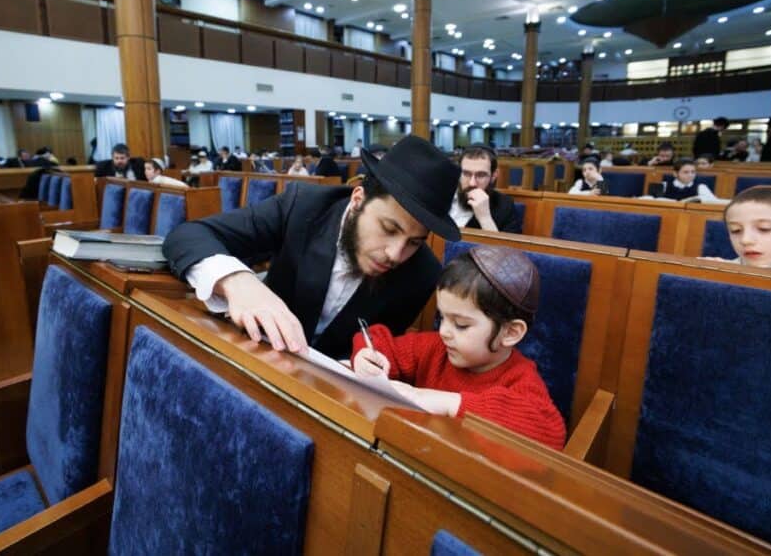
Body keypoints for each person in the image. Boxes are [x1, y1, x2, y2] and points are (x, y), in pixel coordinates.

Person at [163, 135, 461, 360]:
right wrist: (239, 284)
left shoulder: (422, 274)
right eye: (388, 229)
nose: (396, 254)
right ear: (357, 201)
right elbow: (188, 236)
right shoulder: (302, 206)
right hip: (253, 359)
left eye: (413, 242)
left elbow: (378, 348)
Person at [351, 246, 566, 449]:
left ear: (510, 332)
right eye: (441, 317)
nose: (444, 331)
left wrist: (450, 403)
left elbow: (550, 432)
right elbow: (376, 338)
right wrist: (367, 356)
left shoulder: (521, 379)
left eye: (461, 325)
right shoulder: (436, 347)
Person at [448, 145, 521, 233]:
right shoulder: (440, 195)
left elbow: (510, 246)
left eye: (481, 175)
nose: (472, 183)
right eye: (466, 174)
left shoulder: (505, 206)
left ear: (494, 176)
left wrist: (485, 218)